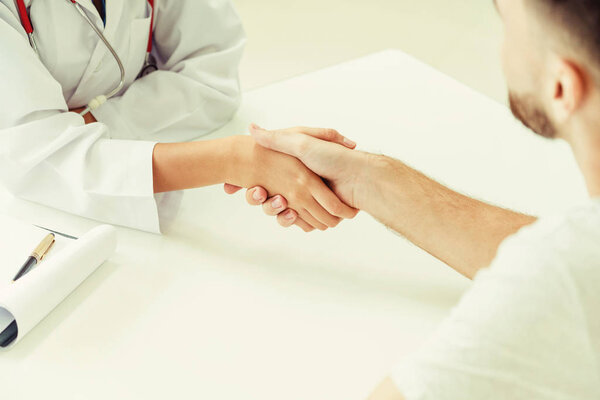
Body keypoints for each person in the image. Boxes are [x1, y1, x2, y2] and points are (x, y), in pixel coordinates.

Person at [232, 0, 600, 398]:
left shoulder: (553, 281)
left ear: (560, 87)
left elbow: (563, 273)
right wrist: (368, 179)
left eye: (506, 23)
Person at [0, 0, 356, 234]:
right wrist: (237, 159)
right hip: (29, 224)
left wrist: (99, 120)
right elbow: (39, 161)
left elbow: (212, 70)